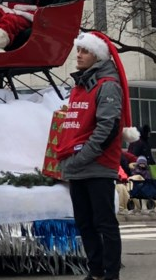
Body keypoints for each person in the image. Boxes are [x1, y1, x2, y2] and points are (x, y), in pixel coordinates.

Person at [56, 31, 139, 280]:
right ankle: (96, 273)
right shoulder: (82, 84)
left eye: (84, 51)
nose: (78, 55)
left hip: (98, 166)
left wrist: (81, 158)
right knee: (84, 223)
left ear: (98, 56)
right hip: (77, 166)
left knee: (104, 224)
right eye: (78, 50)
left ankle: (110, 275)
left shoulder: (107, 85)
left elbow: (108, 129)